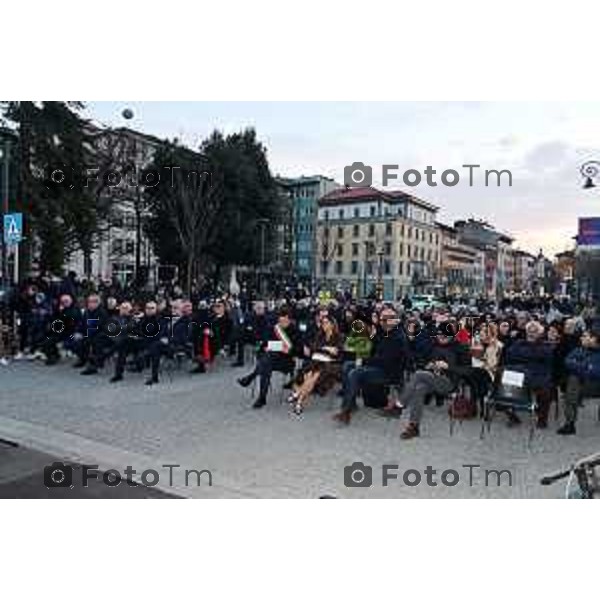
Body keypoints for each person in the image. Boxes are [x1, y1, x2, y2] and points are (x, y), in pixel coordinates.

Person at [333, 306, 406, 425]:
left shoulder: (398, 336)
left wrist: (363, 361)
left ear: (396, 319)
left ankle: (345, 411)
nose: (385, 320)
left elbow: (385, 360)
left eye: (389, 318)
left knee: (355, 372)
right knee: (348, 365)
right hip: (378, 367)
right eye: (383, 318)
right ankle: (351, 404)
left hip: (389, 372)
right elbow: (370, 345)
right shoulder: (383, 331)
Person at [396, 329, 470, 440]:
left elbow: (467, 371)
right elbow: (422, 361)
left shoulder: (460, 348)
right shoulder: (434, 346)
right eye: (439, 335)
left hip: (449, 382)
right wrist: (429, 365)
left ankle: (399, 405)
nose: (441, 337)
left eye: (444, 335)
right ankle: (414, 426)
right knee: (419, 388)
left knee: (418, 374)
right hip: (432, 379)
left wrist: (448, 367)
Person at [237, 307, 302, 409]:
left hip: (286, 362)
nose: (282, 323)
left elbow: (299, 350)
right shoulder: (274, 329)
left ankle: (251, 378)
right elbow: (265, 345)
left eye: (285, 321)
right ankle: (262, 397)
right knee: (267, 362)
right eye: (280, 321)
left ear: (290, 320)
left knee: (266, 361)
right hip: (270, 360)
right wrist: (269, 347)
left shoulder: (295, 331)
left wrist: (288, 350)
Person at [287, 314, 343, 415]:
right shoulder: (320, 334)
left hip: (328, 363)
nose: (323, 325)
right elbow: (313, 347)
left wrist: (323, 348)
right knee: (308, 375)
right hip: (315, 360)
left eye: (326, 323)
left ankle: (298, 399)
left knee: (314, 376)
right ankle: (299, 399)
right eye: (322, 323)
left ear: (332, 324)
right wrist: (326, 348)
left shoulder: (338, 336)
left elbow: (336, 352)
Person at [504, 320, 554, 428]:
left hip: (538, 375)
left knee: (545, 391)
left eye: (534, 331)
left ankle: (542, 418)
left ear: (539, 333)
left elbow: (544, 356)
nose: (531, 333)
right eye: (529, 331)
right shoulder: (519, 342)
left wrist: (522, 355)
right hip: (520, 374)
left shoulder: (545, 345)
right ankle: (512, 415)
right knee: (503, 387)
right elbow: (509, 355)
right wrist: (530, 355)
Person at [557, 327, 600, 435]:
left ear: (594, 339)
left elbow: (595, 372)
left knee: (574, 378)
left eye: (585, 336)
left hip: (596, 384)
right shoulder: (579, 349)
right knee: (573, 380)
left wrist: (579, 365)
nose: (581, 338)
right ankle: (570, 424)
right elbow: (567, 361)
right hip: (582, 382)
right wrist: (586, 367)